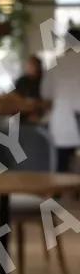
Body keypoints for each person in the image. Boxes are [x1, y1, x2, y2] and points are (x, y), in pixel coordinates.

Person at [42, 25, 80, 172]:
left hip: (62, 122)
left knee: (61, 167)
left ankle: (59, 194)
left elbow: (46, 94)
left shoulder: (55, 63)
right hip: (66, 120)